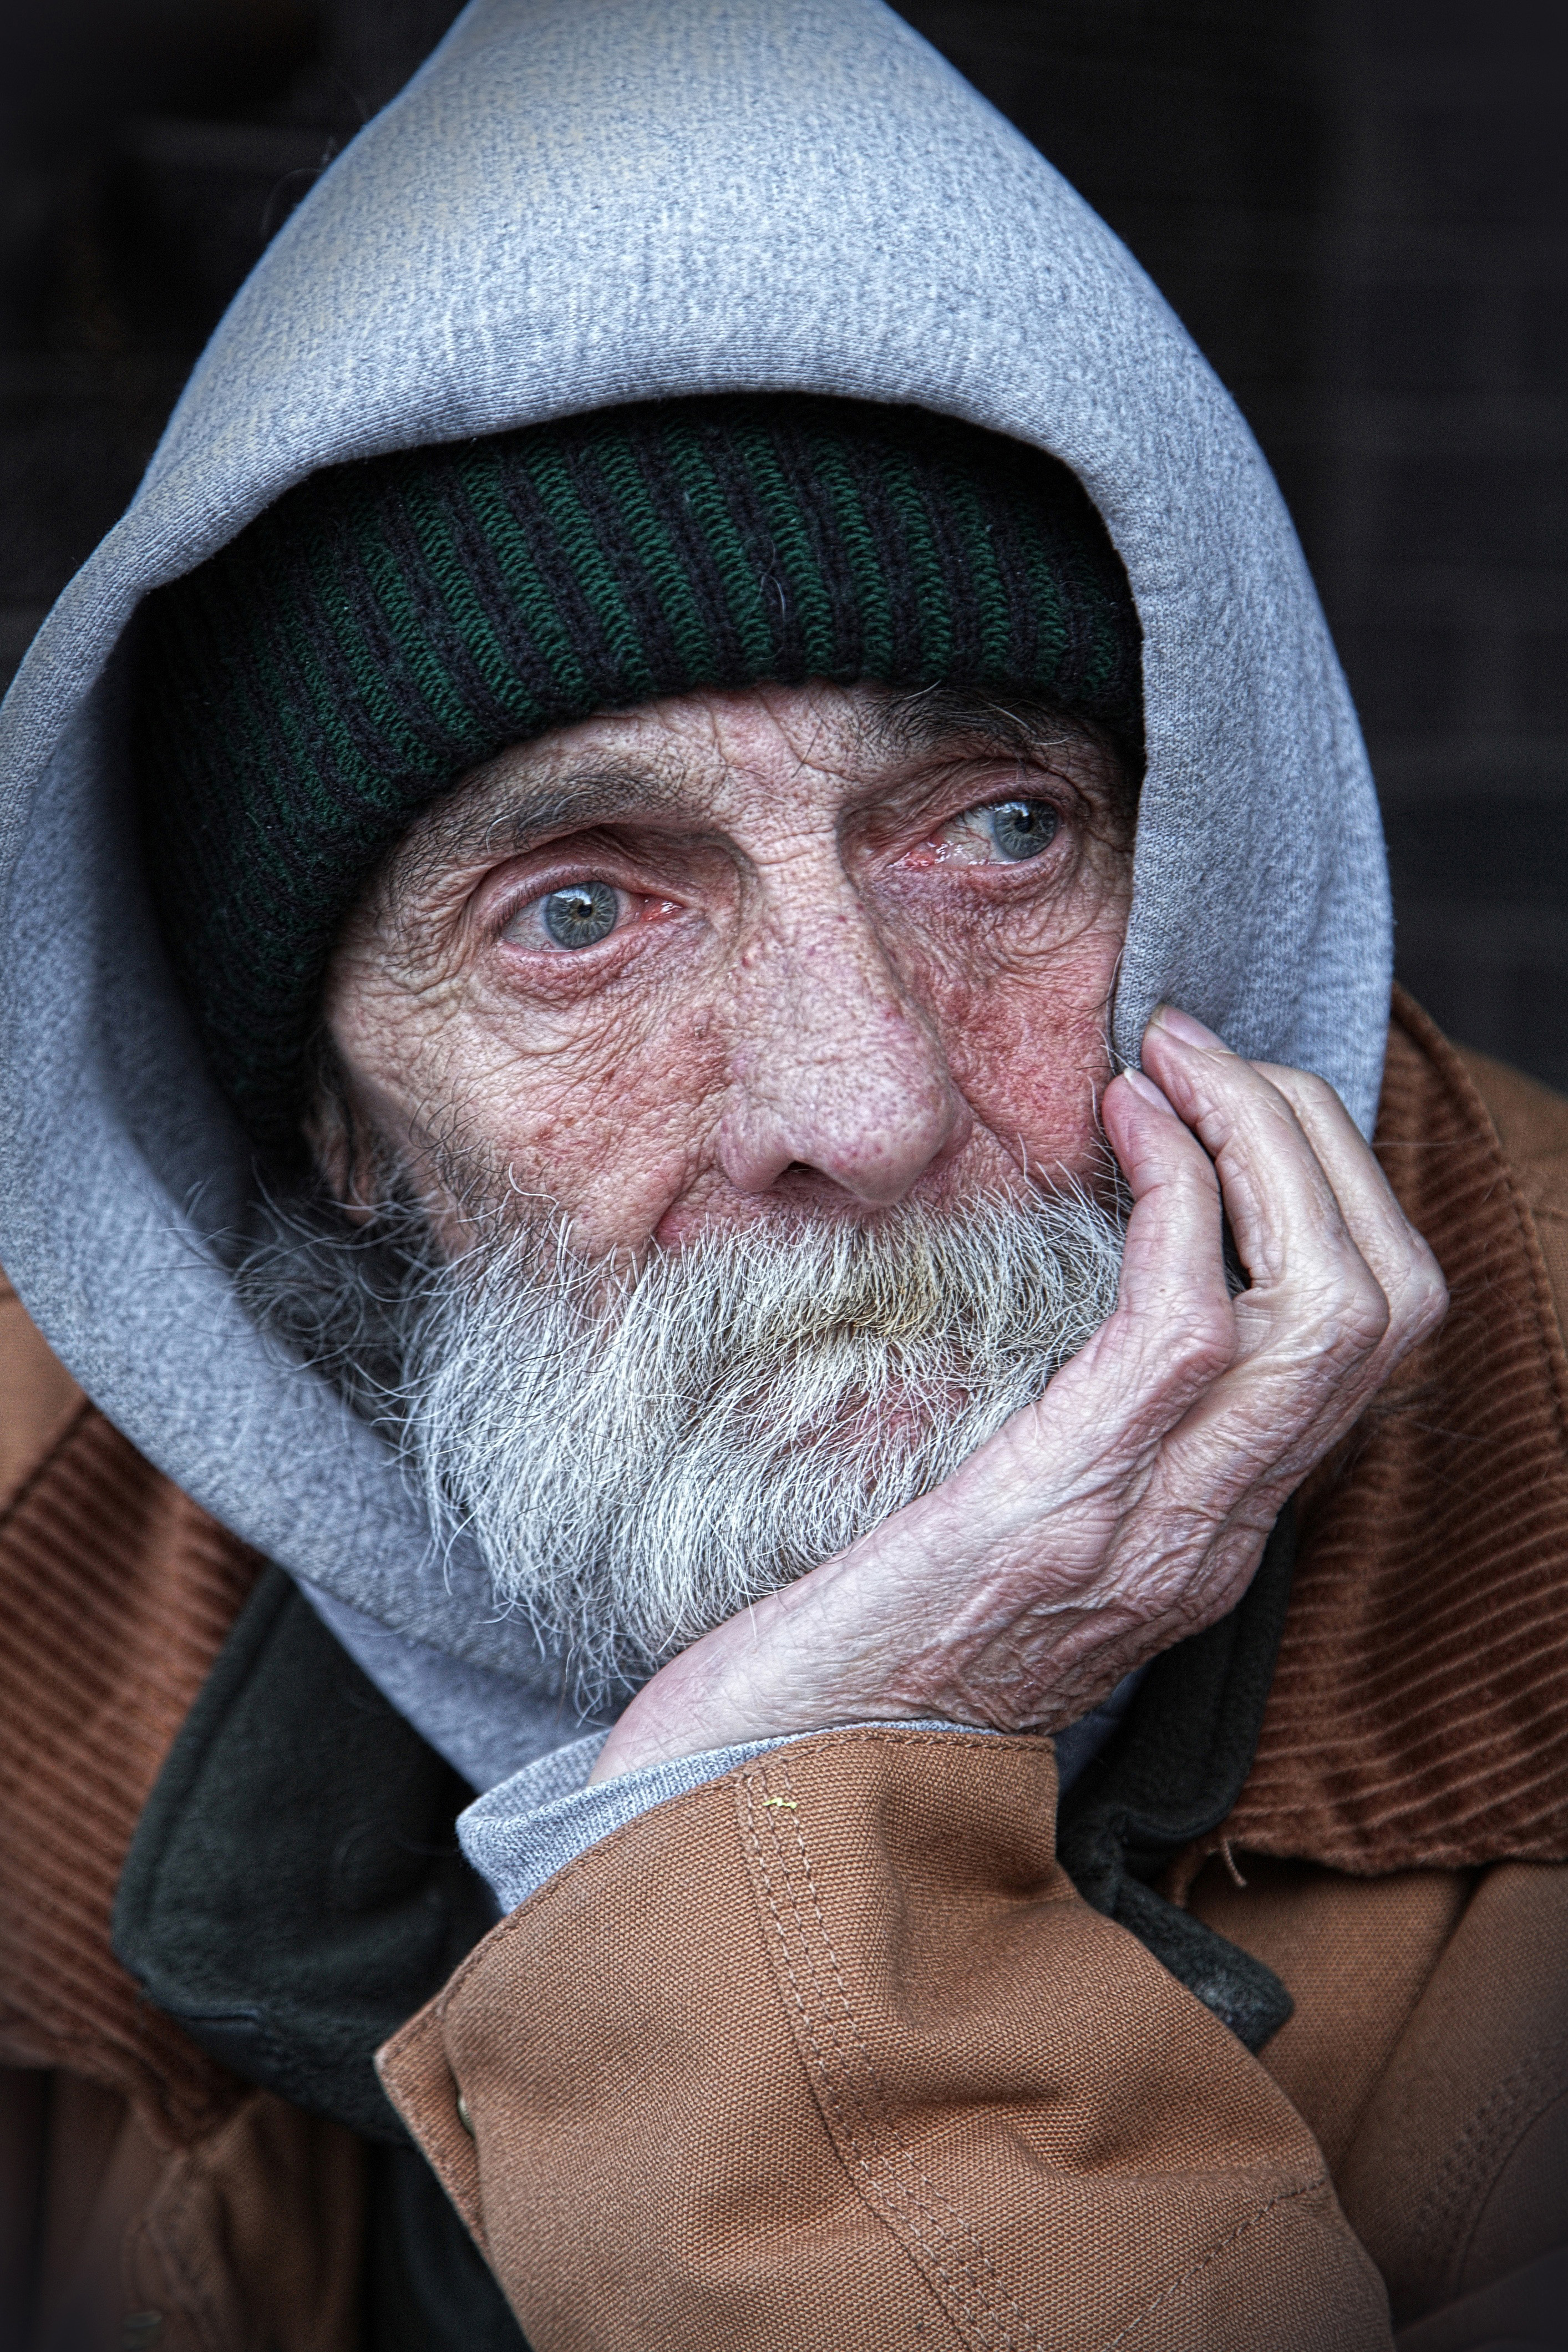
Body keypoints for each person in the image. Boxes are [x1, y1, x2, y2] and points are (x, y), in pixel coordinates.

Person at [2, 2, 1565, 2346]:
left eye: (995, 830)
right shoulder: (40, 1570)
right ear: (326, 1118)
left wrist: (775, 1850)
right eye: (578, 910)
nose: (862, 1100)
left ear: (1208, 874)